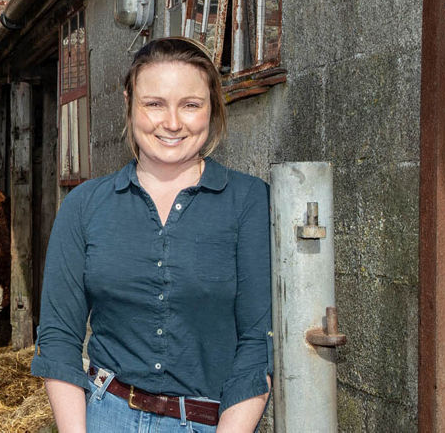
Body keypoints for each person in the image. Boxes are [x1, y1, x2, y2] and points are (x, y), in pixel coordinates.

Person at [30, 37, 272, 432]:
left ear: (212, 106)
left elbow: (258, 345)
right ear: (129, 102)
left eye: (190, 105)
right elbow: (58, 338)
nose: (172, 123)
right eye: (154, 103)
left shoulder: (248, 202)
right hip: (104, 416)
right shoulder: (84, 206)